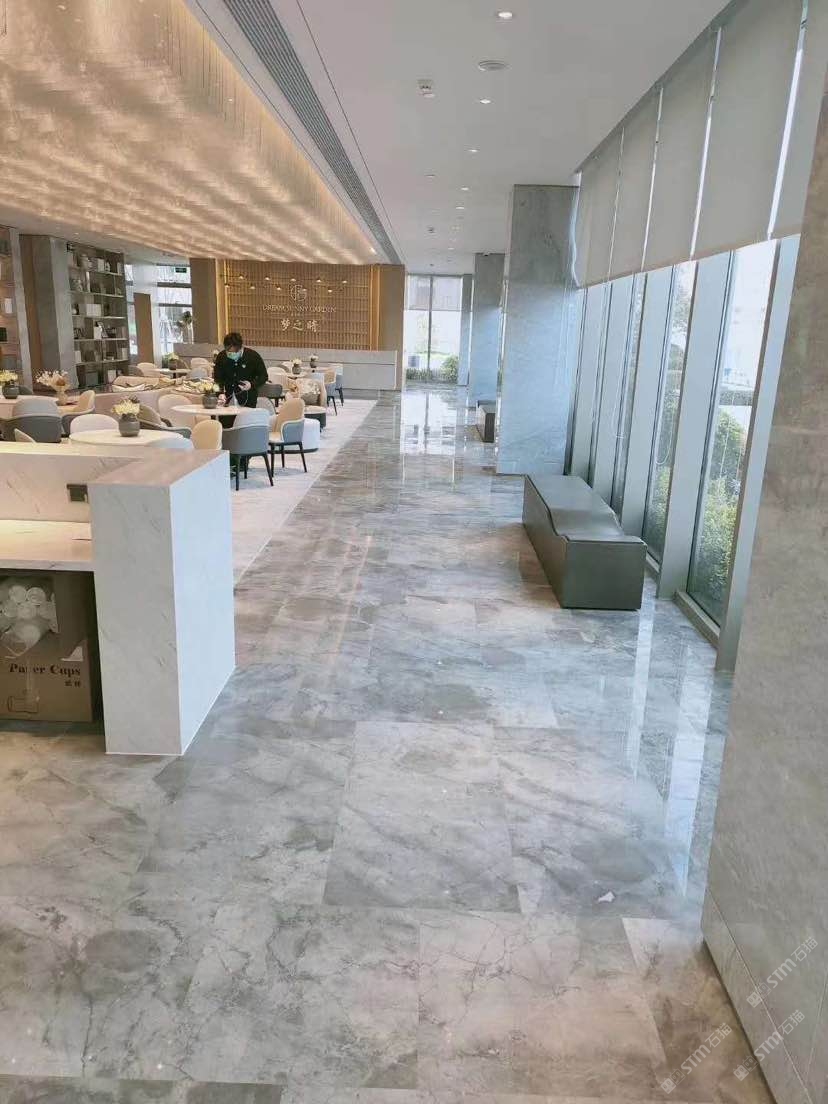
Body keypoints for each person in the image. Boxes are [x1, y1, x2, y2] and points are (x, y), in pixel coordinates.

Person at [213, 332, 268, 408]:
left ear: (241, 347)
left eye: (234, 352)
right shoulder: (222, 356)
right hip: (226, 399)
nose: (231, 354)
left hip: (248, 399)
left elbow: (263, 376)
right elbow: (217, 379)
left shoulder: (253, 356)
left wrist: (251, 384)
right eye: (229, 352)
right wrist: (219, 393)